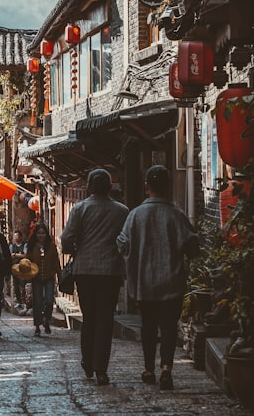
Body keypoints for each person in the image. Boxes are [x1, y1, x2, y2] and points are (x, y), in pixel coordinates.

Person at [117, 165, 200, 391]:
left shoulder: (135, 215)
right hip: (171, 281)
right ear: (168, 186)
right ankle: (166, 369)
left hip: (144, 282)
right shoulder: (176, 215)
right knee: (169, 327)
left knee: (149, 326)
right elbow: (192, 245)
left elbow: (122, 244)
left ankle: (148, 369)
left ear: (147, 187)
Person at [60, 168, 129, 385]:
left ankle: (87, 362)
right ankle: (101, 369)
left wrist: (76, 249)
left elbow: (66, 238)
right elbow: (125, 241)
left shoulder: (80, 209)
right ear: (110, 187)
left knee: (89, 317)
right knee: (105, 319)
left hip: (85, 270)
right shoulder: (121, 211)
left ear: (89, 186)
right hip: (110, 271)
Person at [26, 219, 59, 336]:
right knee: (38, 302)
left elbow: (56, 261)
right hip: (36, 278)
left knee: (49, 300)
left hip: (49, 277)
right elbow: (27, 262)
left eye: (43, 233)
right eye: (39, 233)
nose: (41, 235)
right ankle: (37, 326)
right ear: (36, 234)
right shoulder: (32, 247)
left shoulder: (51, 247)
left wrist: (59, 275)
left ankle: (47, 320)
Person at [9, 230, 28, 307]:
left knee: (22, 284)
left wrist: (15, 255)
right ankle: (18, 299)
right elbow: (10, 256)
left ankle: (23, 300)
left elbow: (25, 255)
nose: (15, 238)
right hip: (14, 268)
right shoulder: (11, 246)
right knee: (15, 284)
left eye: (17, 236)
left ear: (20, 237)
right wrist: (19, 255)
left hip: (22, 268)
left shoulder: (25, 245)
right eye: (14, 236)